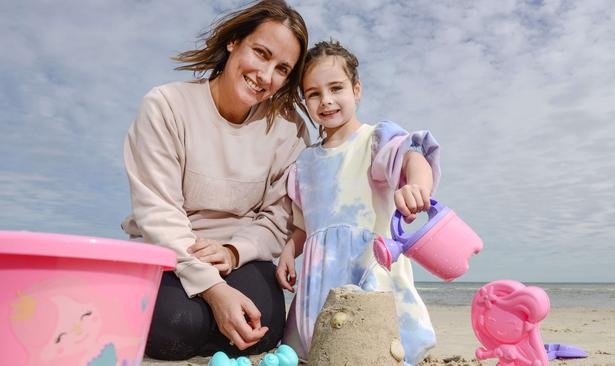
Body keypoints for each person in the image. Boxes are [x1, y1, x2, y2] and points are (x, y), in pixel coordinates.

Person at [121, 0, 309, 360]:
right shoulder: (166, 106)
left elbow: (277, 217)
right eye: (261, 53)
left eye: (282, 68)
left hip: (240, 255)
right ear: (233, 42)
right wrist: (213, 290)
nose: (266, 76)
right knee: (174, 326)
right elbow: (158, 212)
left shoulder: (290, 129)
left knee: (265, 323)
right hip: (170, 252)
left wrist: (234, 252)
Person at [275, 40, 440, 365]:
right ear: (304, 100)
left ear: (356, 89)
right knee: (317, 348)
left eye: (336, 88)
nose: (326, 101)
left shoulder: (374, 140)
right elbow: (303, 227)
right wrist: (288, 251)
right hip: (319, 275)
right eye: (314, 93)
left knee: (375, 346)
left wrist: (418, 187)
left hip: (368, 265)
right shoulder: (304, 164)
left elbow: (412, 159)